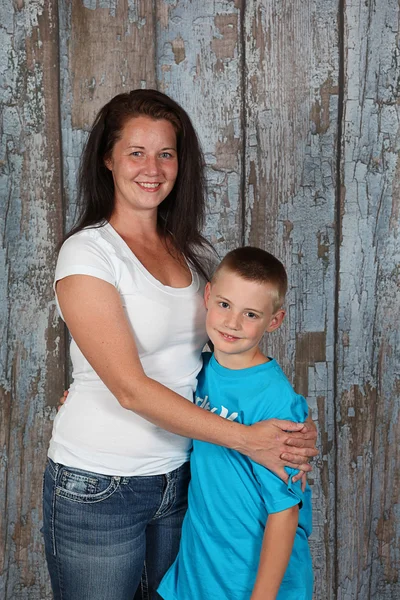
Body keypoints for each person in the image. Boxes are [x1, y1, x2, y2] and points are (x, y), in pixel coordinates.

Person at [42, 89, 317, 600]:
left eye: (165, 153)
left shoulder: (189, 252)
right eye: (136, 152)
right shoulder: (88, 253)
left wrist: (287, 423)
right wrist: (249, 439)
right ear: (108, 159)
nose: (153, 167)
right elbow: (130, 389)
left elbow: (213, 354)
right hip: (101, 483)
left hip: (183, 479)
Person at [158, 246, 313, 600]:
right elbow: (146, 394)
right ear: (208, 296)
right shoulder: (196, 371)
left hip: (257, 581)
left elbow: (286, 513)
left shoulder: (274, 400)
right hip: (200, 571)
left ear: (274, 321)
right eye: (225, 305)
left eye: (251, 314)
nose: (232, 323)